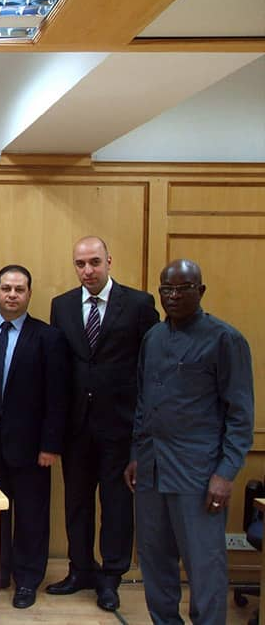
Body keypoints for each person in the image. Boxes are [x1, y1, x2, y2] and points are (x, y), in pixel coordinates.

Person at [126, 259, 253, 625]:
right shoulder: (153, 337)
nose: (174, 296)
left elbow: (241, 415)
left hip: (198, 472)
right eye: (167, 288)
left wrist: (226, 473)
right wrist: (136, 453)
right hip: (151, 468)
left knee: (203, 562)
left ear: (201, 291)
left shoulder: (225, 339)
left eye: (183, 288)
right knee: (154, 557)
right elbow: (143, 403)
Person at [47, 237, 159, 611]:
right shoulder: (61, 306)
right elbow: (59, 370)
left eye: (95, 262)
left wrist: (144, 435)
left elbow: (151, 371)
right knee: (77, 503)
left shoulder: (139, 304)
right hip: (76, 427)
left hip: (121, 426)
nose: (88, 271)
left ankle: (111, 577)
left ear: (109, 261)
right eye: (80, 264)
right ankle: (80, 569)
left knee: (116, 505)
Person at [0, 264, 69, 609]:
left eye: (19, 289)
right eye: (6, 288)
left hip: (31, 443)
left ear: (29, 294)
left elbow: (58, 396)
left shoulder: (47, 337)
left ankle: (27, 580)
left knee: (31, 513)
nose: (12, 295)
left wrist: (51, 445)